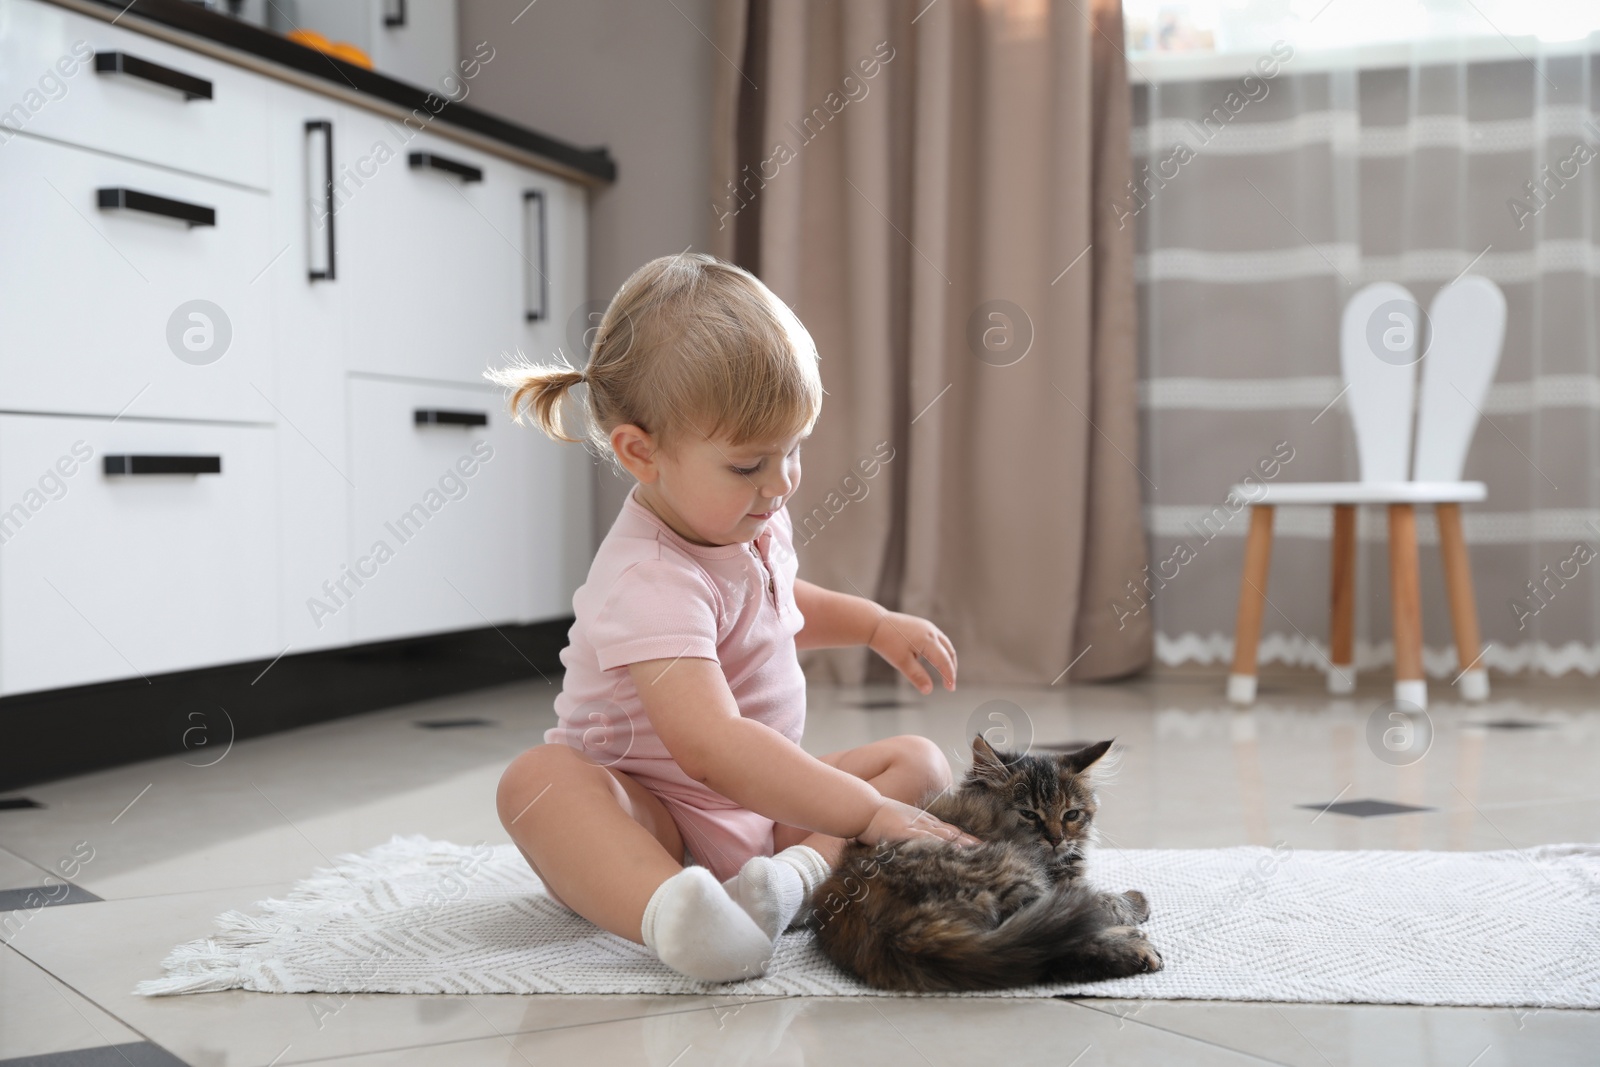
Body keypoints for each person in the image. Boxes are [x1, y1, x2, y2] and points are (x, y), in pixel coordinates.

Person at [488, 252, 975, 983]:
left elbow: (779, 608)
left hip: (759, 806)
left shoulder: (746, 519)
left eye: (794, 451)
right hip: (656, 818)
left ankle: (790, 880)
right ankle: (671, 913)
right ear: (640, 452)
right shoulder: (647, 574)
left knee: (919, 763)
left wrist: (873, 623)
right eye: (750, 464)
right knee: (538, 783)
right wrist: (866, 817)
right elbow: (709, 746)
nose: (780, 483)